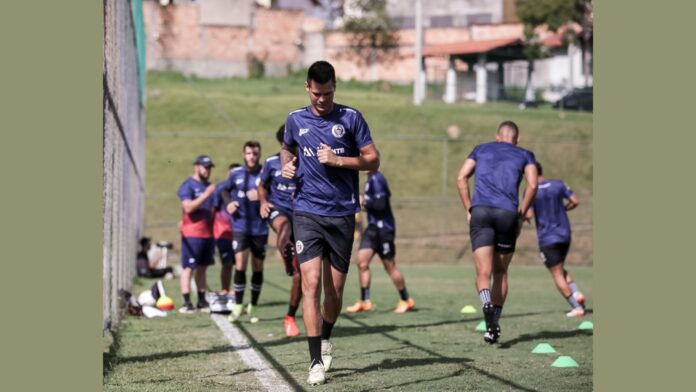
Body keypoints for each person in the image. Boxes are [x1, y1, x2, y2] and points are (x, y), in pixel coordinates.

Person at [281, 60, 380, 385]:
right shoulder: (296, 119)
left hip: (341, 215)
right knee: (310, 284)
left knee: (334, 292)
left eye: (326, 93)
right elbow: (286, 148)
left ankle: (326, 336)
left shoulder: (351, 118)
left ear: (334, 87)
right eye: (316, 93)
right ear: (307, 88)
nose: (321, 100)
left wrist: (339, 160)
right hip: (306, 212)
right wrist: (287, 166)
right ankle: (314, 361)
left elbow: (373, 160)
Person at [456, 121, 538, 344]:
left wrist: (468, 208)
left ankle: (486, 304)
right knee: (501, 272)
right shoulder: (525, 154)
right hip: (507, 214)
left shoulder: (481, 149)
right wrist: (521, 212)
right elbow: (532, 184)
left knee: (484, 272)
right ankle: (493, 327)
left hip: (481, 211)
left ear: (497, 136)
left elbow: (461, 177)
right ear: (517, 139)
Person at [346, 169, 415, 314]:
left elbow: (380, 204)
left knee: (389, 265)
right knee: (361, 262)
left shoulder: (378, 179)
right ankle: (365, 301)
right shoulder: (369, 179)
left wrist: (364, 200)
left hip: (384, 230)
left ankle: (406, 299)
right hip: (372, 229)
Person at [524, 162, 586, 317]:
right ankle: (577, 293)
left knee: (557, 274)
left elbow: (529, 214)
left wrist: (521, 215)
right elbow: (575, 201)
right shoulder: (558, 184)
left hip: (547, 238)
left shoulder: (531, 190)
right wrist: (563, 209)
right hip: (565, 233)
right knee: (560, 268)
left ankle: (576, 307)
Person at [259, 125, 303, 337]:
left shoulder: (305, 161)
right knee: (282, 227)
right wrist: (262, 202)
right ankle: (287, 256)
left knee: (301, 276)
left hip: (302, 213)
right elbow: (261, 186)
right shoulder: (270, 162)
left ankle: (290, 316)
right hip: (278, 209)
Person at [221, 141, 269, 323]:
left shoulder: (265, 173)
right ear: (243, 155)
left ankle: (253, 307)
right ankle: (238, 305)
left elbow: (276, 193)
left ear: (259, 155)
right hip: (240, 226)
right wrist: (229, 203)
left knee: (257, 266)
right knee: (240, 264)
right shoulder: (236, 174)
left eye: (255, 153)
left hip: (260, 227)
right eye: (249, 153)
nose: (252, 157)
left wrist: (262, 196)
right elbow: (224, 190)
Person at [177, 154, 216, 313]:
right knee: (189, 268)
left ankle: (201, 300)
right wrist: (206, 194)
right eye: (205, 167)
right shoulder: (188, 185)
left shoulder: (209, 185)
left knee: (202, 268)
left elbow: (213, 210)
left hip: (207, 234)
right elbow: (188, 207)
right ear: (196, 166)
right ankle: (186, 302)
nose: (207, 170)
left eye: (209, 168)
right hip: (192, 234)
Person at [212, 163, 241, 294]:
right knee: (227, 263)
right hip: (222, 231)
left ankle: (236, 292)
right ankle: (225, 290)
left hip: (240, 231)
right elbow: (214, 209)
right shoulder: (221, 188)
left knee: (240, 265)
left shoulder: (242, 188)